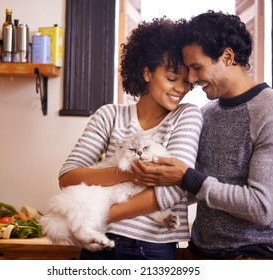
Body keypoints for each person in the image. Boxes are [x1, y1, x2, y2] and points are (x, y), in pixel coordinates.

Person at [130, 10, 273, 260]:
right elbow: (192, 188)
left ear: (227, 56)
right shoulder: (205, 114)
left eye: (196, 67)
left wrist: (186, 178)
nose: (190, 79)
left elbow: (261, 207)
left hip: (249, 261)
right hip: (197, 253)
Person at [58, 17, 203, 260]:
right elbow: (69, 177)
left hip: (151, 247)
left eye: (187, 82)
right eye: (171, 78)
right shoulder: (109, 115)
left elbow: (173, 189)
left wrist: (95, 215)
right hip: (99, 244)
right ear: (147, 72)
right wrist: (128, 173)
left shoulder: (187, 116)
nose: (180, 88)